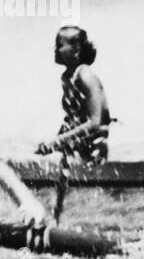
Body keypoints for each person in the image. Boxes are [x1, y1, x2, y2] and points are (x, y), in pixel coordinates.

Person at [34, 25, 111, 163]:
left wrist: (57, 142)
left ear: (76, 50)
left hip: (97, 148)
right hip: (81, 145)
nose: (55, 49)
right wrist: (52, 143)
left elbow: (95, 123)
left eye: (59, 45)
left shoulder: (85, 74)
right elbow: (74, 121)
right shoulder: (67, 77)